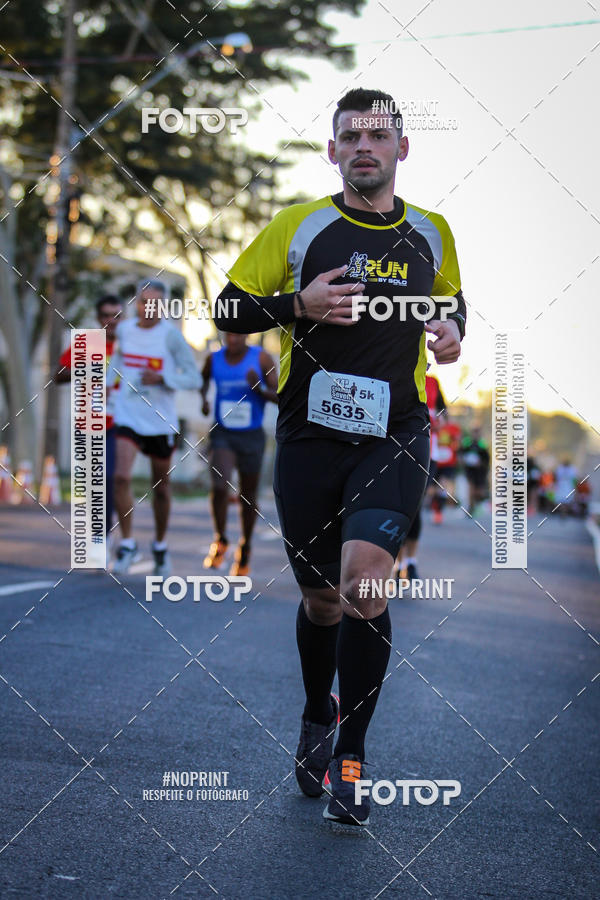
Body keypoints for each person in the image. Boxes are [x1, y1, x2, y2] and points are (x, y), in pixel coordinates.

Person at [213, 87, 466, 825]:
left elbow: (451, 303)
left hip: (395, 434)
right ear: (332, 150)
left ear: (400, 149)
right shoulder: (299, 228)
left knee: (364, 586)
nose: (364, 146)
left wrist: (451, 332)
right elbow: (228, 308)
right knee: (322, 598)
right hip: (309, 438)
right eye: (350, 135)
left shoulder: (432, 232)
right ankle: (316, 716)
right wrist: (298, 305)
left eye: (378, 135)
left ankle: (352, 756)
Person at [107, 279, 200, 576]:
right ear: (136, 303)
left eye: (155, 302)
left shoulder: (171, 336)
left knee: (160, 488)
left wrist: (163, 379)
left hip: (160, 420)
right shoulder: (124, 330)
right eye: (144, 301)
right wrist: (108, 386)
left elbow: (194, 379)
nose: (149, 307)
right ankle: (128, 544)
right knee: (120, 477)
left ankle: (160, 546)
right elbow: (116, 361)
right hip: (128, 414)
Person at [200, 332, 278, 575]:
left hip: (251, 434)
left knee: (248, 494)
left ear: (246, 335)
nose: (232, 340)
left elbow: (279, 396)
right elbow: (202, 382)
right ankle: (221, 539)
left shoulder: (262, 358)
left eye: (238, 335)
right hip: (223, 431)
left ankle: (245, 546)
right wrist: (203, 399)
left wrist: (259, 388)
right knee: (219, 486)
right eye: (228, 335)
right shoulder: (213, 360)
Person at [54, 294, 123, 541]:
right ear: (98, 318)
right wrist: (83, 370)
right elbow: (58, 375)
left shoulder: (130, 345)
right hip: (91, 422)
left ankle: (110, 535)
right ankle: (101, 533)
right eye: (106, 315)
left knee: (113, 478)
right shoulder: (87, 342)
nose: (111, 320)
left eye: (116, 315)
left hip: (122, 423)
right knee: (97, 480)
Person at [394, 372, 447, 584]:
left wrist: (437, 419)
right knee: (398, 505)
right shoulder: (394, 368)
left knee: (413, 506)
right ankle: (399, 564)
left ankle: (411, 561)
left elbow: (443, 413)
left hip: (426, 451)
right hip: (395, 448)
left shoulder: (433, 381)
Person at [460, 426, 489, 516]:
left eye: (477, 432)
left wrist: (481, 463)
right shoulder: (467, 443)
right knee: (471, 488)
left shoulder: (483, 444)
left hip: (480, 471)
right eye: (474, 432)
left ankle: (477, 503)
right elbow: (461, 453)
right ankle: (470, 507)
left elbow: (487, 458)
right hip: (470, 470)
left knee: (479, 491)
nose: (475, 434)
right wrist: (463, 460)